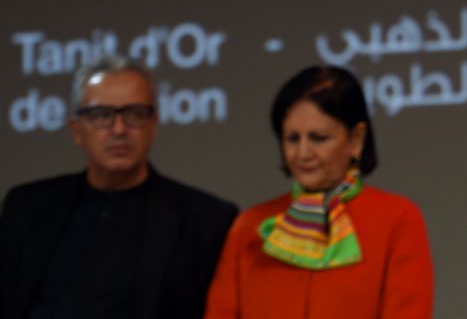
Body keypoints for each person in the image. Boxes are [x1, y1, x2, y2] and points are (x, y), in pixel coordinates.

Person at [0, 55, 238, 319]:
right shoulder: (27, 208)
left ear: (154, 125)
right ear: (76, 129)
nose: (119, 129)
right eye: (101, 115)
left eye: (135, 114)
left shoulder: (205, 220)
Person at [204, 66, 433, 319]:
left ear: (356, 138)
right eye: (292, 138)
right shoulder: (249, 227)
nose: (302, 153)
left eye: (319, 138)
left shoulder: (397, 218)